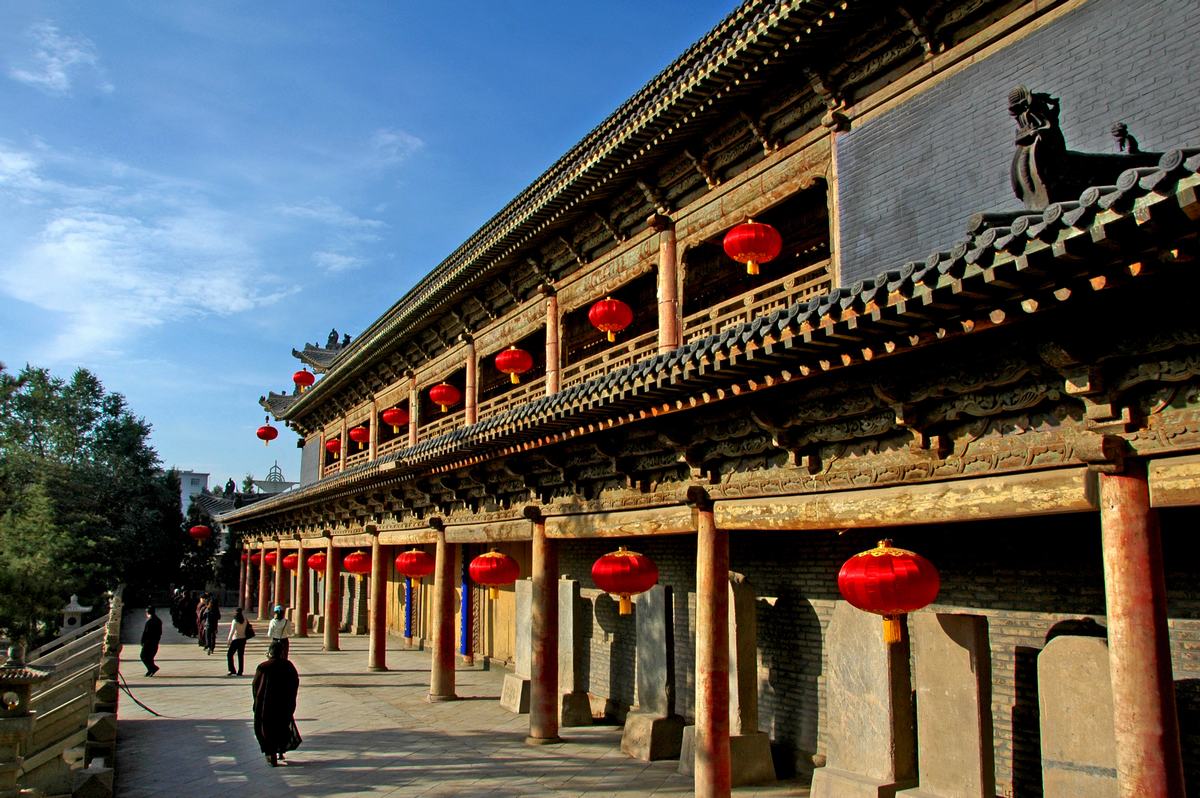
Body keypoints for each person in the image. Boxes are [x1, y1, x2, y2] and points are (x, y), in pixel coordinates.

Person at [252, 641, 300, 766]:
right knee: (281, 727)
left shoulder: (263, 667)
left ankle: (271, 753)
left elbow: (256, 686)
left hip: (266, 705)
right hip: (283, 703)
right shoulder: (288, 666)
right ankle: (280, 751)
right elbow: (295, 683)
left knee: (266, 729)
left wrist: (256, 701)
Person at [226, 607, 250, 675]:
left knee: (229, 654)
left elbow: (232, 631)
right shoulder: (245, 620)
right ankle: (240, 671)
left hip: (236, 639)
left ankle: (232, 670)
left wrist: (229, 639)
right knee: (240, 655)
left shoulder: (235, 621)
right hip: (243, 639)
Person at [140, 607, 162, 676]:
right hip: (155, 641)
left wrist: (142, 641)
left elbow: (145, 632)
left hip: (148, 641)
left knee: (143, 656)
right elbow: (160, 632)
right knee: (150, 657)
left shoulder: (149, 621)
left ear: (147, 613)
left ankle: (153, 668)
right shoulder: (158, 620)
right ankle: (150, 670)